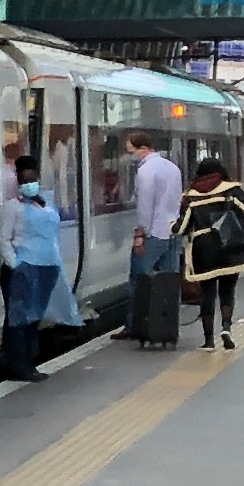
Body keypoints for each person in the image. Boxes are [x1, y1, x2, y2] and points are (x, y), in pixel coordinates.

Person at [174, 157, 244, 351]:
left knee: (207, 293)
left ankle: (208, 341)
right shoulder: (231, 190)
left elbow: (181, 227)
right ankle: (226, 328)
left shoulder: (192, 196)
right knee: (227, 291)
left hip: (203, 250)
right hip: (229, 245)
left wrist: (172, 227)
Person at [109, 131, 182, 340]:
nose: (130, 155)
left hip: (153, 233)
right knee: (169, 279)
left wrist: (140, 233)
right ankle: (168, 324)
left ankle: (134, 325)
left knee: (139, 280)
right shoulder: (172, 168)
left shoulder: (146, 171)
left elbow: (145, 205)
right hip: (173, 231)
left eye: (131, 151)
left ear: (143, 149)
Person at [0, 155, 63, 381]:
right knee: (18, 319)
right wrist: (15, 265)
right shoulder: (11, 208)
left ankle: (28, 363)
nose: (29, 183)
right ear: (18, 181)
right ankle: (19, 366)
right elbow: (4, 239)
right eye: (25, 180)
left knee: (33, 318)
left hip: (42, 269)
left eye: (32, 179)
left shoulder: (46, 205)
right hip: (20, 270)